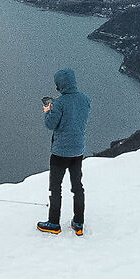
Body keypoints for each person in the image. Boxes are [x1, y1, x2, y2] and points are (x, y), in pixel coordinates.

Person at [38, 67, 90, 233]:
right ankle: (78, 223)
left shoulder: (59, 103)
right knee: (77, 187)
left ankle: (54, 224)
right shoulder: (85, 99)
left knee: (56, 188)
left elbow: (50, 124)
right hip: (78, 151)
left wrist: (48, 108)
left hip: (60, 152)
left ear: (60, 85)